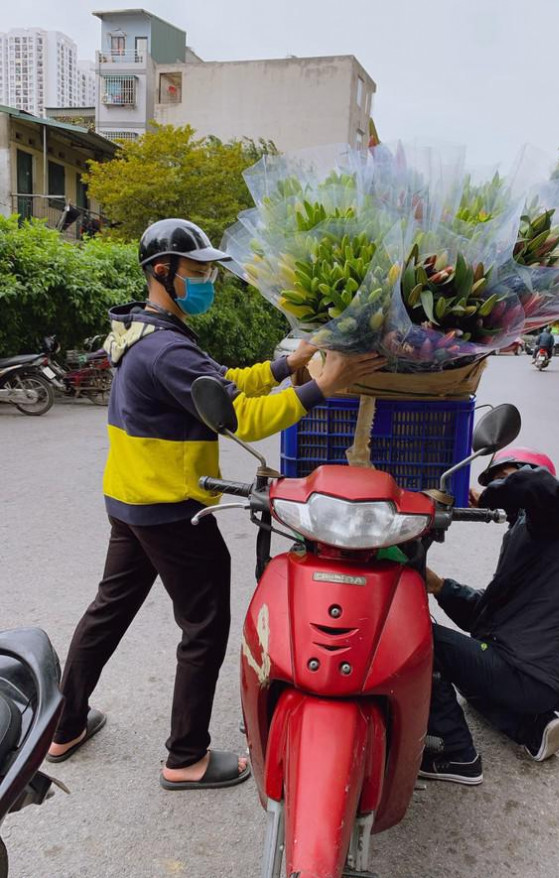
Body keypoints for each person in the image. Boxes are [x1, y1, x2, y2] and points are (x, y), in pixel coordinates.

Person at [47, 218, 385, 790]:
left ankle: (63, 725)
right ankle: (186, 758)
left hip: (130, 499)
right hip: (172, 507)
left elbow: (219, 383)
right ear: (163, 271)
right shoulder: (166, 350)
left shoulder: (140, 331)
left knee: (108, 612)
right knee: (203, 625)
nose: (207, 280)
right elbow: (238, 417)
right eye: (197, 271)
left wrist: (287, 365)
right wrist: (320, 387)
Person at [420, 447, 559, 785]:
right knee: (468, 682)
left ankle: (457, 754)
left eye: (505, 477)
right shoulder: (542, 543)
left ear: (529, 472)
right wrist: (441, 586)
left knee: (420, 641)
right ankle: (532, 727)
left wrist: (488, 494)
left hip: (528, 672)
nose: (499, 488)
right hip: (542, 680)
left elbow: (542, 488)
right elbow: (488, 616)